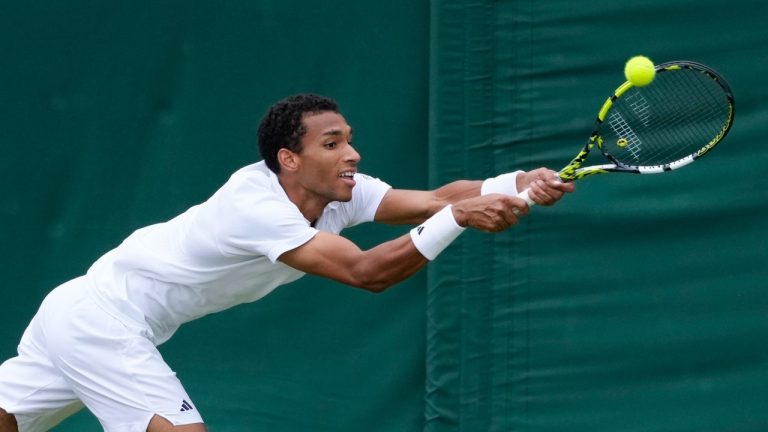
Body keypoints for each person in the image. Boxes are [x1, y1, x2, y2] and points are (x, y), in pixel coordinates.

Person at [0, 93, 574, 432]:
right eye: (331, 144)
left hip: (80, 308)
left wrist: (516, 182)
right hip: (102, 320)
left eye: (349, 139)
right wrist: (460, 219)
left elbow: (432, 200)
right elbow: (366, 273)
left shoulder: (342, 193)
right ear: (288, 160)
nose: (351, 153)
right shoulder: (257, 207)